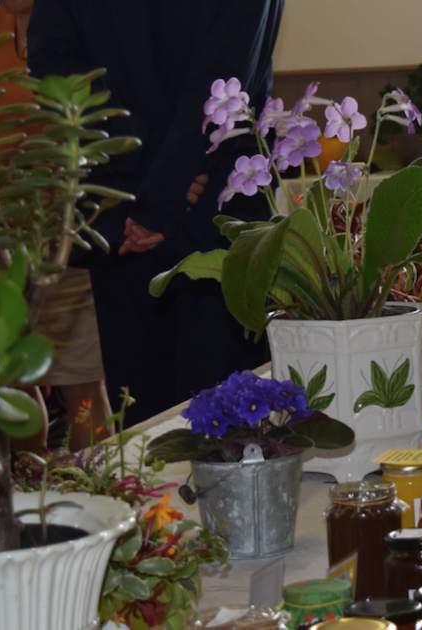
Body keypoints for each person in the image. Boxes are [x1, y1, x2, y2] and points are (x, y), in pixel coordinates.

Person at [27, 0, 282, 425]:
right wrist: (167, 190)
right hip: (216, 198)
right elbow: (227, 71)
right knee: (234, 432)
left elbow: (54, 64)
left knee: (148, 431)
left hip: (121, 206)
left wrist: (137, 177)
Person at [0, 0, 113, 451]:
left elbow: (94, 128)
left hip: (65, 232)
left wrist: (64, 216)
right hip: (0, 235)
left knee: (79, 385)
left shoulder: (77, 24)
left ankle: (93, 498)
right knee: (10, 378)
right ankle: (32, 498)